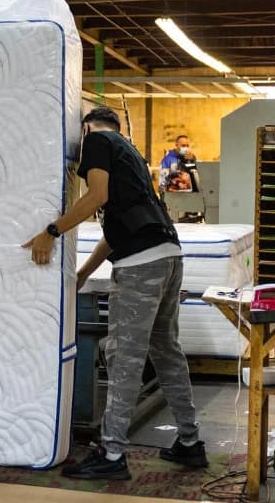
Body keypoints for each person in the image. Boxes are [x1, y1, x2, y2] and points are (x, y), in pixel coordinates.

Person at [23, 107, 207, 480]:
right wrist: (83, 274)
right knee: (166, 352)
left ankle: (111, 454)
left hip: (141, 266)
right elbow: (116, 229)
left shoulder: (96, 141)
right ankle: (190, 441)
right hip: (169, 257)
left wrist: (51, 232)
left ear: (86, 127)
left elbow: (96, 196)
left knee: (124, 355)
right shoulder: (130, 153)